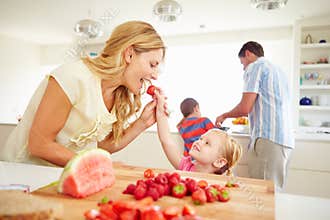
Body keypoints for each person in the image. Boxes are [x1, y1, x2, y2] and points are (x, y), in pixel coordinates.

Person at [0, 21, 166, 167]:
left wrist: (142, 124)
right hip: (21, 172)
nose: (155, 75)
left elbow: (99, 146)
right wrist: (97, 165)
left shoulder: (118, 95)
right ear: (129, 54)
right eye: (152, 64)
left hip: (59, 177)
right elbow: (39, 145)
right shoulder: (74, 77)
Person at [215, 41, 294, 189]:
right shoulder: (279, 71)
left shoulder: (255, 67)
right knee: (275, 192)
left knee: (262, 192)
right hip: (286, 141)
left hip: (268, 139)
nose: (243, 68)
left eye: (242, 63)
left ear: (248, 54)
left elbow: (245, 108)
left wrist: (224, 115)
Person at [155, 90, 242, 175]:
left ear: (219, 162)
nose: (199, 142)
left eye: (207, 143)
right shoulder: (186, 166)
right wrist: (160, 110)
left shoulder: (219, 183)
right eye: (201, 138)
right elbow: (166, 140)